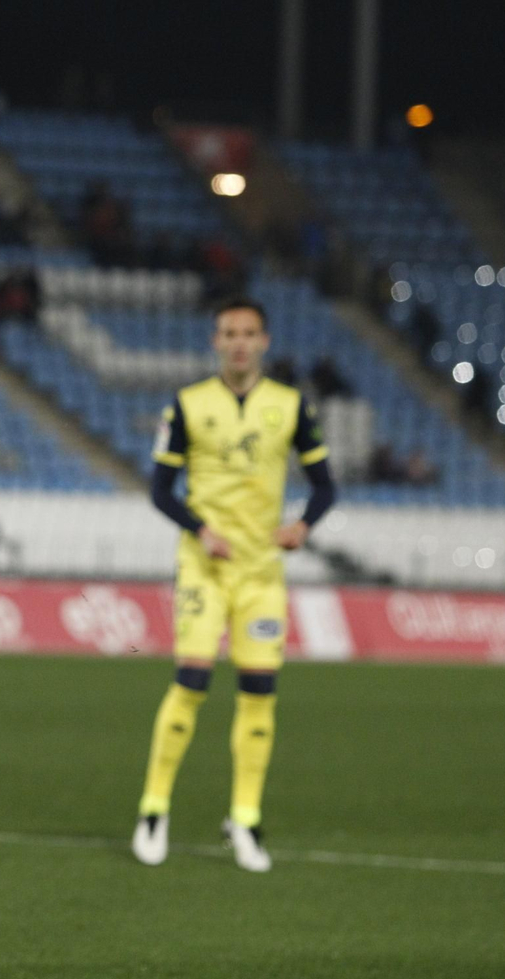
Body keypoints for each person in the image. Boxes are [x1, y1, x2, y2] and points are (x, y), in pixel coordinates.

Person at [132, 297, 336, 873]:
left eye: (249, 333)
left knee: (259, 692)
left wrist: (303, 525)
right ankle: (154, 809)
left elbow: (324, 486)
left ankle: (244, 818)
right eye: (229, 333)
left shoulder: (290, 407)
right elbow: (160, 490)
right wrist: (201, 529)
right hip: (204, 567)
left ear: (265, 341)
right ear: (215, 341)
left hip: (263, 573)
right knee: (192, 681)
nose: (239, 342)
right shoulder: (190, 404)